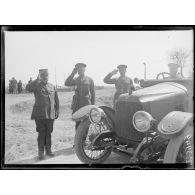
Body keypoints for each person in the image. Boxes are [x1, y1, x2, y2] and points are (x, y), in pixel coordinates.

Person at [26, 69, 60, 160]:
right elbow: (28, 88)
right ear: (40, 76)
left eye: (46, 75)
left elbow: (56, 99)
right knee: (41, 133)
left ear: (48, 76)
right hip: (40, 114)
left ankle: (48, 150)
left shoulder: (52, 86)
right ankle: (41, 152)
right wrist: (36, 79)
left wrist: (58, 110)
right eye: (43, 75)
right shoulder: (36, 85)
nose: (45, 77)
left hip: (51, 114)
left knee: (49, 133)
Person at [65, 63, 95, 130]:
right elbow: (66, 83)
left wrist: (93, 106)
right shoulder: (75, 80)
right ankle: (78, 139)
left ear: (84, 70)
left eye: (81, 69)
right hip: (77, 104)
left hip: (86, 104)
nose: (80, 71)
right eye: (78, 70)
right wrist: (72, 73)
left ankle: (85, 139)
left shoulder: (89, 79)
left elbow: (93, 93)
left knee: (87, 122)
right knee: (78, 123)